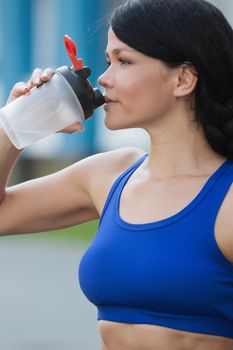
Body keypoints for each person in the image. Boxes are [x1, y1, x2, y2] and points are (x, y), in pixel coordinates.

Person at [0, 0, 233, 348]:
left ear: (183, 78)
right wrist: (15, 124)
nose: (104, 78)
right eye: (109, 61)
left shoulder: (227, 199)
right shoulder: (109, 175)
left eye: (124, 61)